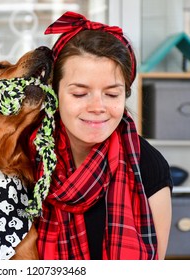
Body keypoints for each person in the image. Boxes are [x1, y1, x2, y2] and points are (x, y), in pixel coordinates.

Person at [28, 11, 173, 260]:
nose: (97, 107)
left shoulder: (148, 166)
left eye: (112, 94)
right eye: (79, 94)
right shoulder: (24, 156)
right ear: (54, 92)